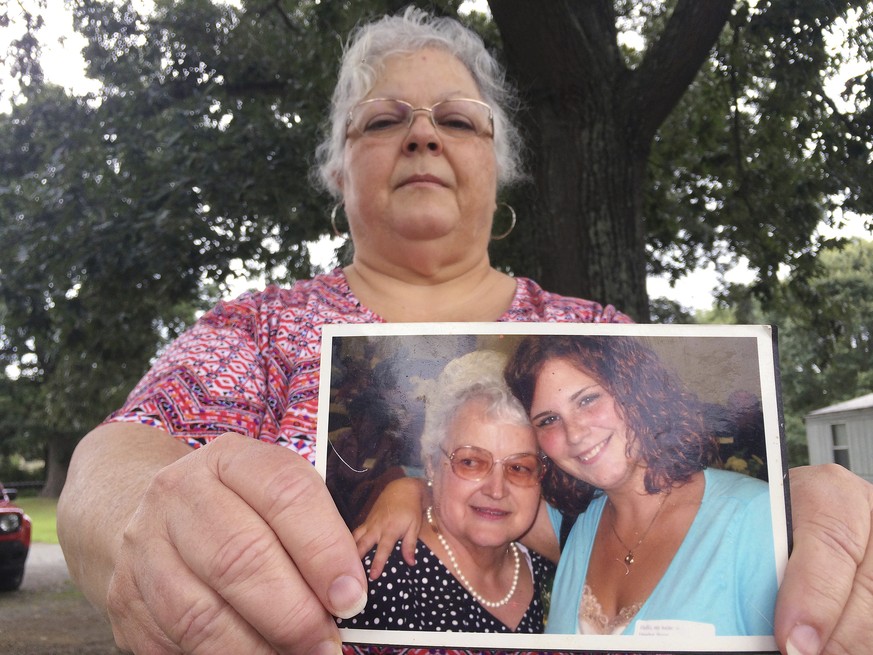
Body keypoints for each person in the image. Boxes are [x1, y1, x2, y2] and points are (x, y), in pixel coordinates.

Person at [54, 7, 873, 655]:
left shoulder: (597, 333)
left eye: (456, 118)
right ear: (337, 169)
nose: (421, 135)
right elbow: (118, 456)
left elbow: (667, 493)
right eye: (381, 122)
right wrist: (138, 518)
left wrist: (788, 525)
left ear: (499, 162)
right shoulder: (258, 330)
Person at [504, 334, 777, 635]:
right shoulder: (570, 525)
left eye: (587, 400)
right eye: (548, 419)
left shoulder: (752, 517)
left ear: (636, 390)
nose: (575, 433)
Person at [338, 350, 552, 633]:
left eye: (520, 467)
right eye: (471, 462)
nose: (496, 490)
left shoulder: (541, 560)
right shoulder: (385, 579)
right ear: (431, 464)